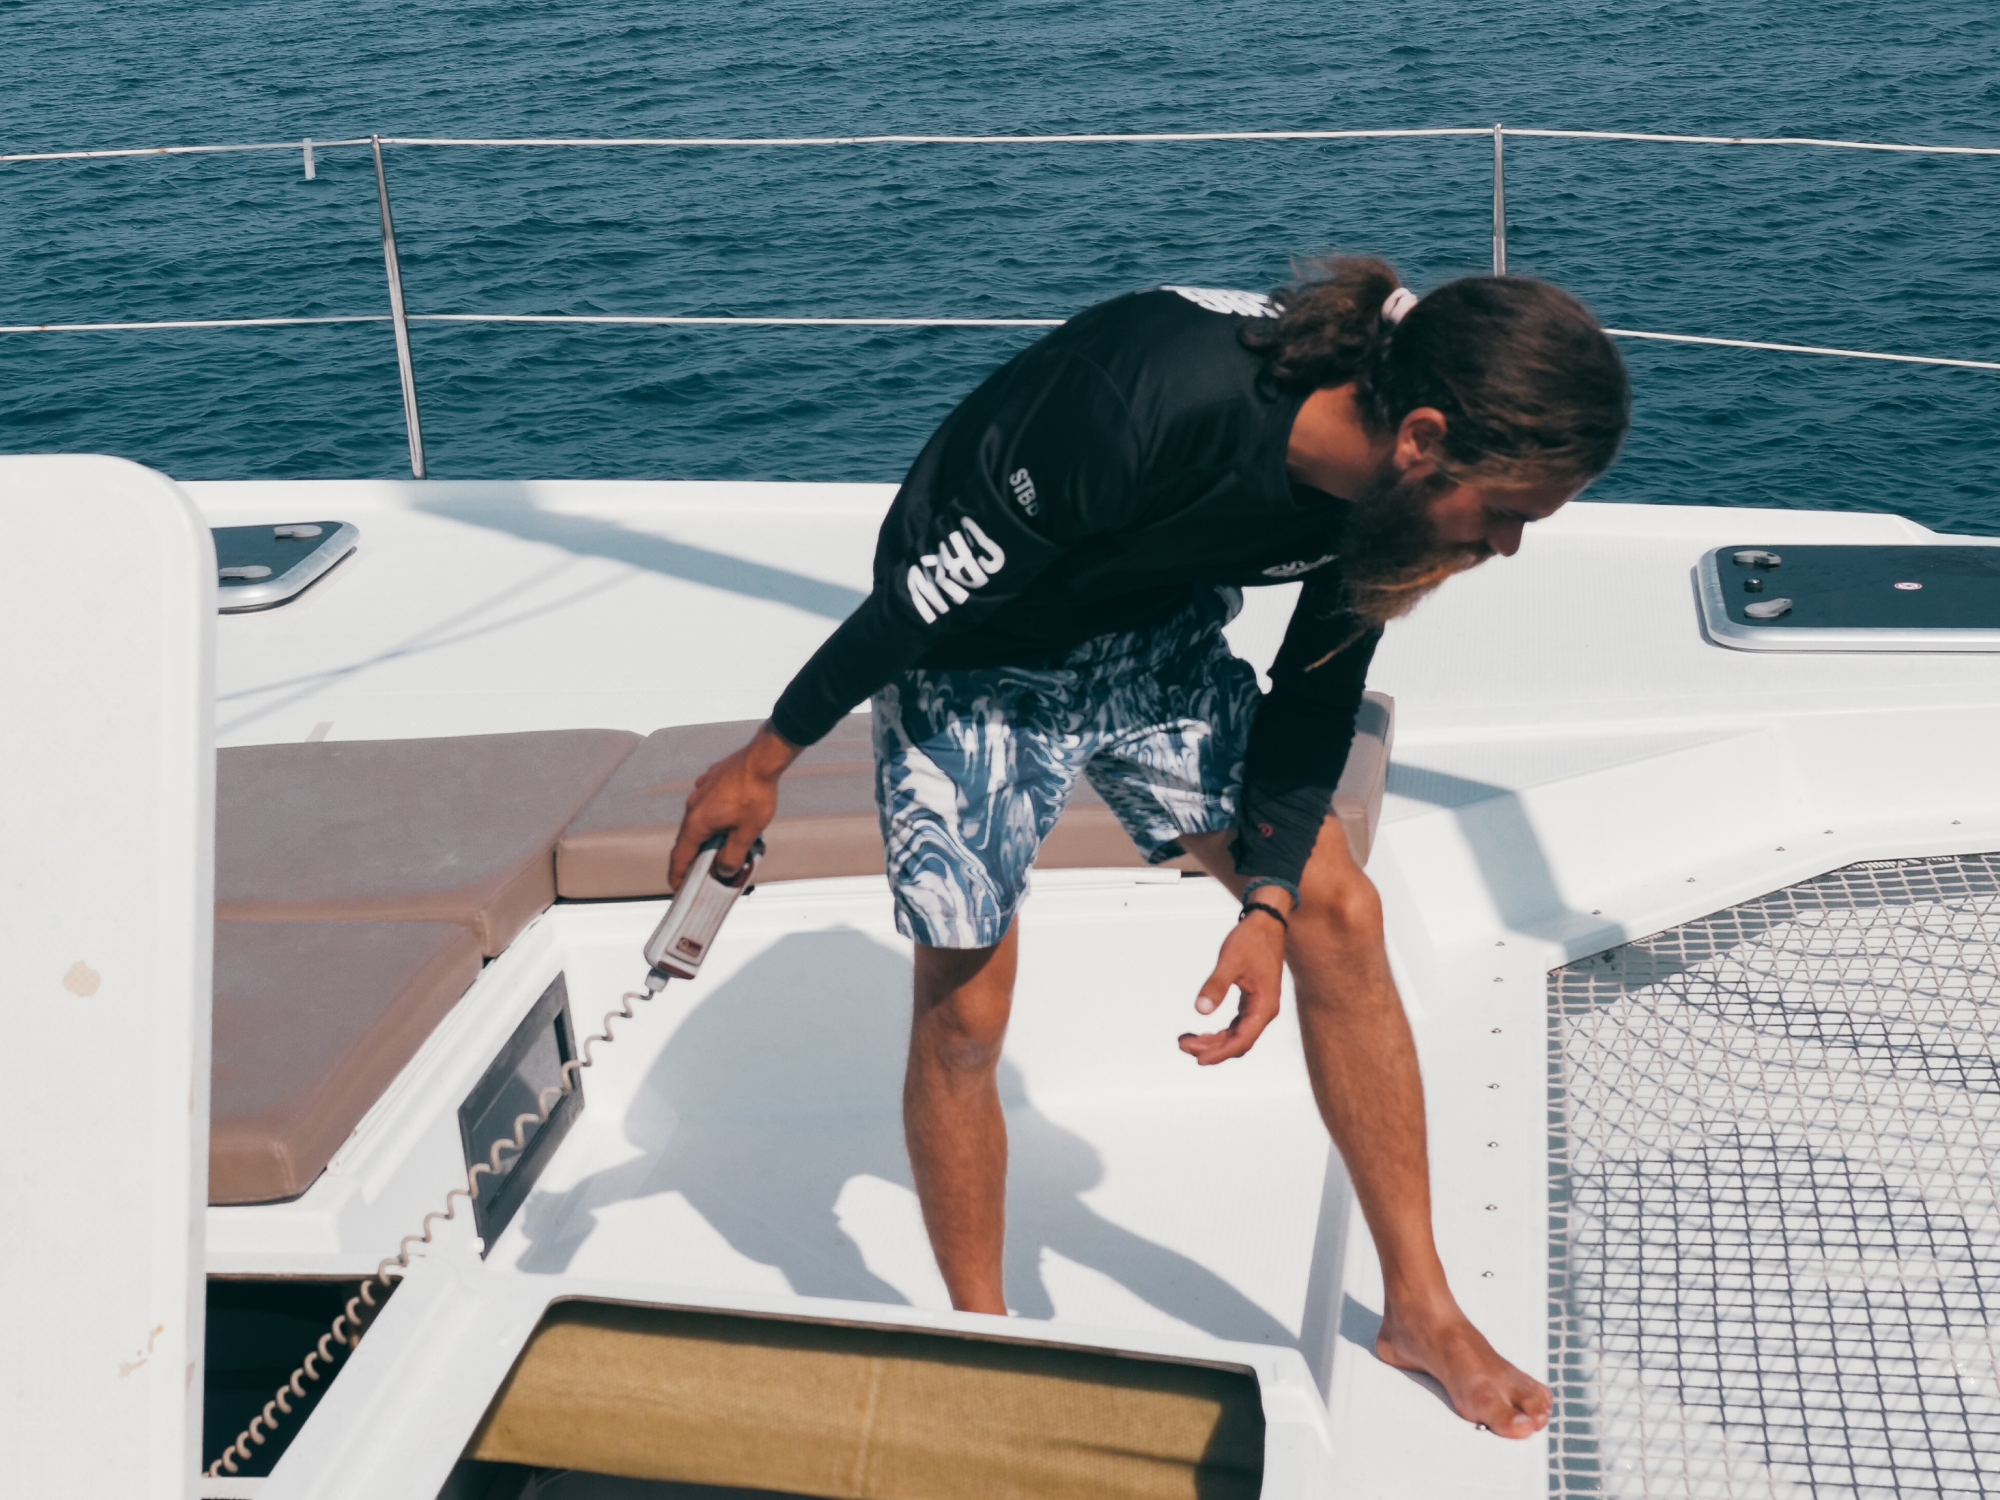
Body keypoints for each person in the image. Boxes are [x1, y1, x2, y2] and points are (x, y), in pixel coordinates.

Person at [668, 257, 1631, 1439]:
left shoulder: (1382, 507)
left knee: (1338, 912)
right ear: (1421, 439)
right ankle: (987, 1345)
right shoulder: (1141, 407)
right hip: (972, 653)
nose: (1510, 544)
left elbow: (1312, 699)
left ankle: (1418, 1311)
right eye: (1508, 512)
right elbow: (925, 596)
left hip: (1150, 635)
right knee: (967, 1005)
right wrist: (765, 758)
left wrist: (1265, 902)